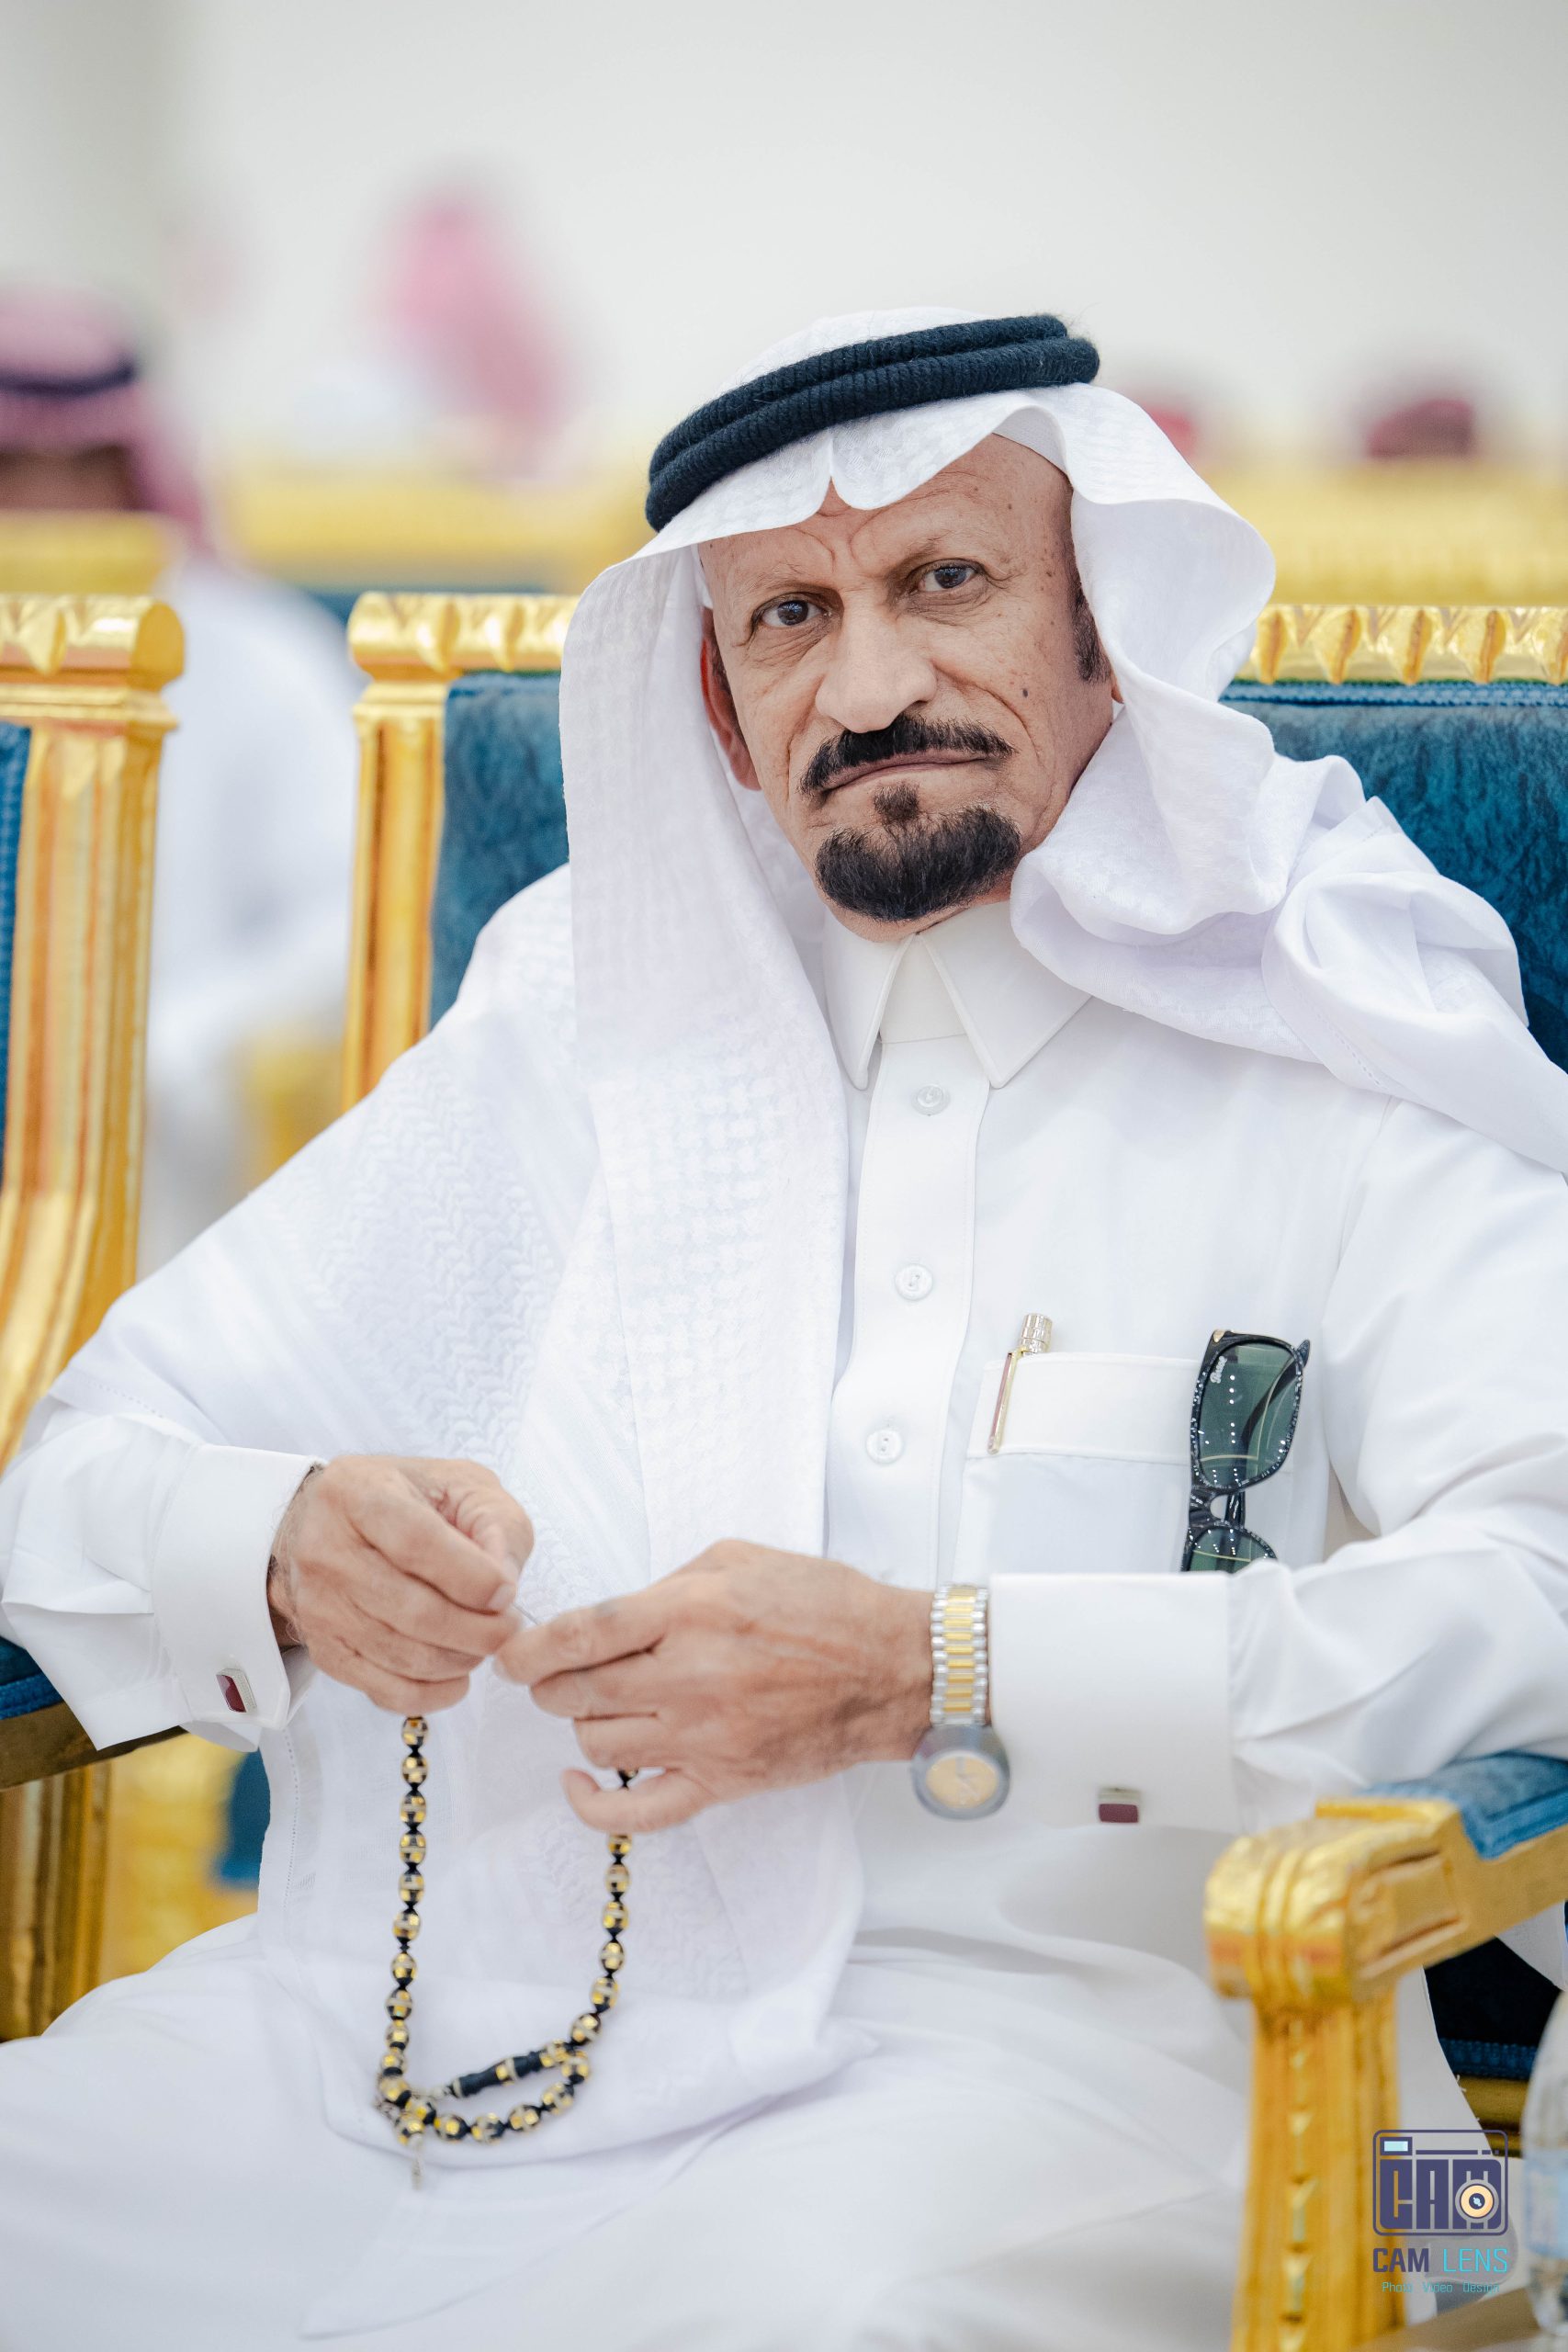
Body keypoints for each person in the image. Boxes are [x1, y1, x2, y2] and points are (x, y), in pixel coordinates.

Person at [2, 307, 1567, 2352]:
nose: (871, 683)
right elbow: (85, 1466)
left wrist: (943, 1672)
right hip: (430, 2036)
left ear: (1103, 626)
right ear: (722, 719)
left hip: (1073, 2069)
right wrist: (283, 1543)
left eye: (947, 580)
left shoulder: (1325, 1023)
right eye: (789, 618)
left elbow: (1540, 1582)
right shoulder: (574, 1017)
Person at [0, 288, 358, 1264]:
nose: (49, 510)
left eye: (82, 469)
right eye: (14, 469)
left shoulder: (259, 654)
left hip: (165, 1136)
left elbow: (346, 919)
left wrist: (162, 1047)